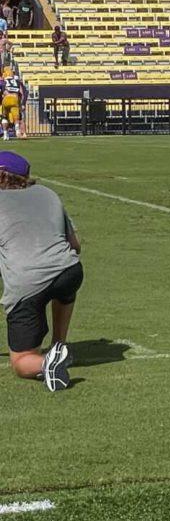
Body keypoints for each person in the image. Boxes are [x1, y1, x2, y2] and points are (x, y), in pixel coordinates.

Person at [0, 152, 82, 392]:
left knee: (21, 361)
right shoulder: (47, 193)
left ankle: (47, 362)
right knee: (65, 285)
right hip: (70, 271)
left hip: (27, 281)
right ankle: (59, 345)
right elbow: (75, 245)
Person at [1, 68, 24, 140]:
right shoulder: (17, 81)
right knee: (16, 117)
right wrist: (21, 103)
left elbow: (3, 91)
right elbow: (21, 93)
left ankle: (5, 134)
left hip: (6, 98)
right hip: (15, 98)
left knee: (4, 117)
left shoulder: (3, 81)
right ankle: (17, 130)